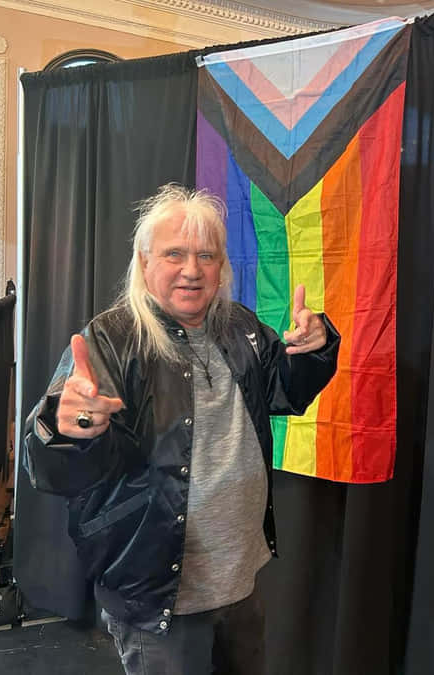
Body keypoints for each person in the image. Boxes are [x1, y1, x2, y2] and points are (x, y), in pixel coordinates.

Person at [23, 183, 340, 674]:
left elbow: (284, 391)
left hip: (239, 575)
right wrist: (69, 429)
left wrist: (314, 349)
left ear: (221, 268)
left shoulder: (241, 326)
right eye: (175, 254)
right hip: (157, 591)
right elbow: (53, 466)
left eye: (206, 256)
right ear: (145, 262)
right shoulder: (109, 339)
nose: (192, 270)